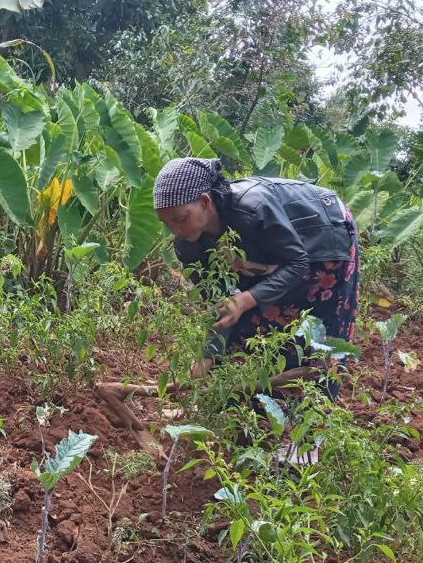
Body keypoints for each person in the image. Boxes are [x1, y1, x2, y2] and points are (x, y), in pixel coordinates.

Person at [153, 157, 360, 396]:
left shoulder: (253, 206)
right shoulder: (187, 245)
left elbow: (297, 263)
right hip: (276, 250)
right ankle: (252, 408)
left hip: (325, 236)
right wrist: (207, 357)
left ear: (204, 201)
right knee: (245, 324)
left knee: (320, 335)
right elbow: (221, 305)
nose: (175, 230)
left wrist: (246, 299)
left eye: (180, 219)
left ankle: (315, 410)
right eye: (166, 224)